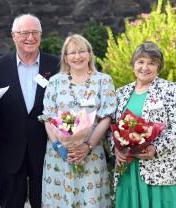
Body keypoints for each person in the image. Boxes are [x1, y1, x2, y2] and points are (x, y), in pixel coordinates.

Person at [0, 14, 59, 208]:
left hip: (46, 150)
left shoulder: (55, 65)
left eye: (35, 32)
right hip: (9, 150)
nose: (30, 37)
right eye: (24, 33)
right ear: (13, 35)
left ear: (41, 35)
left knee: (45, 204)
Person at [41, 34, 116, 207]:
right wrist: (60, 147)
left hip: (91, 154)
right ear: (65, 58)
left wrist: (87, 146)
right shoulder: (54, 82)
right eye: (72, 53)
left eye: (82, 51)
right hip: (59, 157)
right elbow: (48, 118)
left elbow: (106, 117)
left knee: (90, 200)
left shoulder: (103, 81)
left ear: (90, 54)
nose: (77, 56)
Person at [113, 41, 176, 207]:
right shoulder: (121, 93)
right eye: (140, 61)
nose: (145, 67)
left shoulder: (170, 90)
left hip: (159, 169)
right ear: (134, 64)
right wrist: (116, 148)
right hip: (127, 168)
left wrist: (155, 149)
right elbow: (111, 126)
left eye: (152, 63)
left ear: (158, 67)